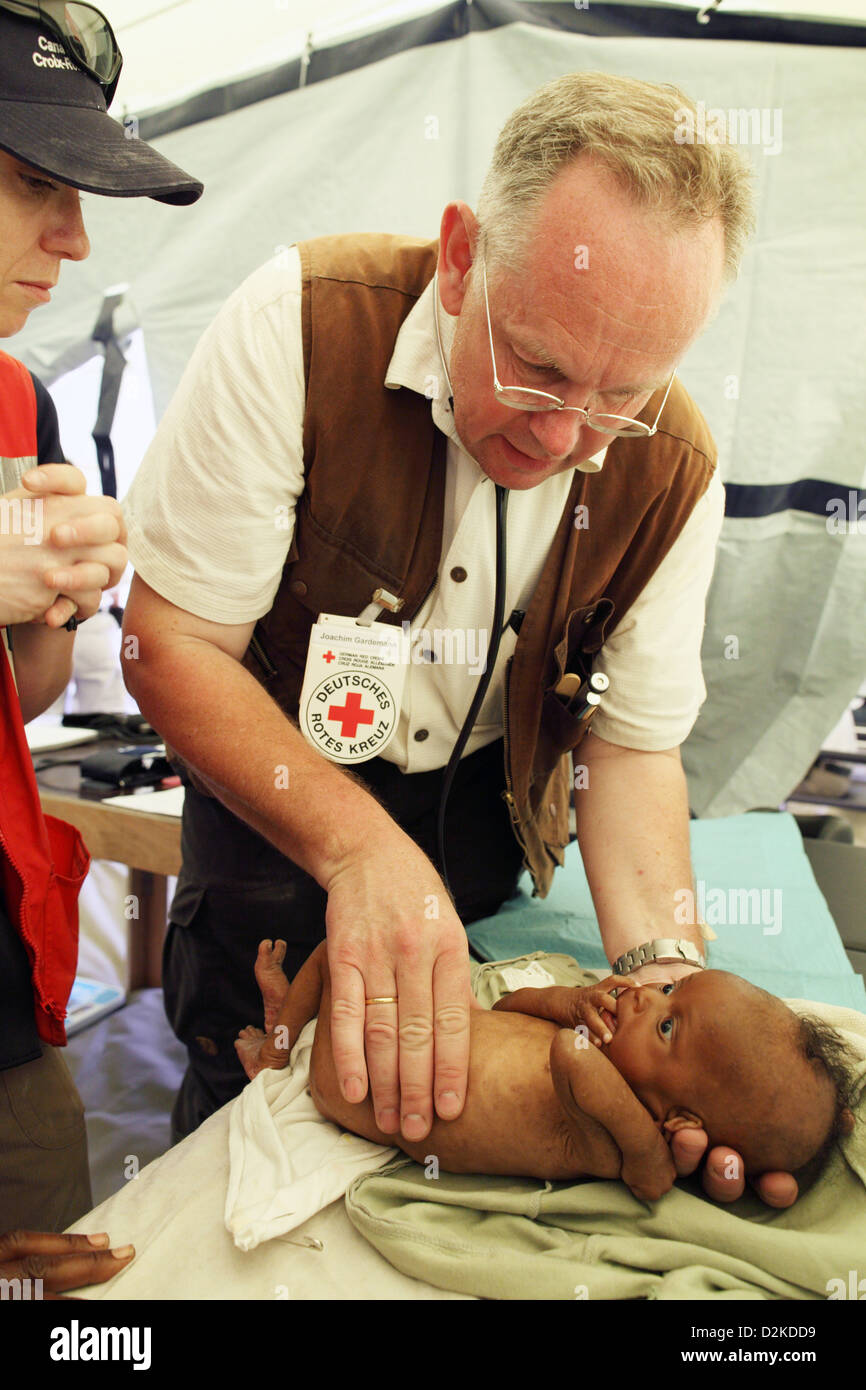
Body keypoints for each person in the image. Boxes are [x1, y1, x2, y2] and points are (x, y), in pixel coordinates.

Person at [121, 69, 797, 1204]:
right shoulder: (300, 322)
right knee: (245, 1112)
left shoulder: (671, 466)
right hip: (272, 805)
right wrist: (356, 850)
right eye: (534, 365)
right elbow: (171, 643)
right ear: (459, 255)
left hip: (481, 820)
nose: (565, 435)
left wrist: (666, 979)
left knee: (439, 1124)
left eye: (618, 393)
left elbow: (626, 754)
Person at [0, 0, 202, 1242]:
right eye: (32, 182)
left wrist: (52, 606)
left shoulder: (20, 398)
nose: (75, 238)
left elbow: (21, 698)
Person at [236, 939, 858, 1201]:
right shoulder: (603, 1046)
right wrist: (564, 1001)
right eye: (670, 988)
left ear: (681, 1118)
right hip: (401, 1036)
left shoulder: (635, 1152)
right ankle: (281, 1037)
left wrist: (580, 1023)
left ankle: (277, 1057)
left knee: (336, 957)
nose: (643, 996)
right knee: (348, 949)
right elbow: (507, 1007)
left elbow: (570, 1055)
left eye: (667, 1025)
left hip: (362, 1088)